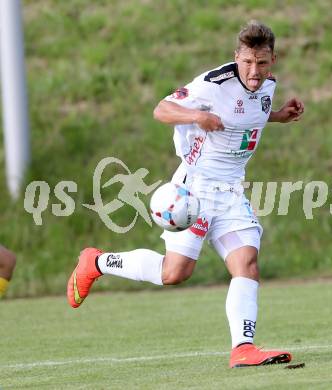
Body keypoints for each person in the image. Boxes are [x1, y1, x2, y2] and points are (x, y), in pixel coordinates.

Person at [67, 20, 304, 368]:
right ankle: (97, 262)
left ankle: (243, 348)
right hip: (194, 189)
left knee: (247, 263)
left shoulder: (267, 86)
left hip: (230, 191)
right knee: (174, 273)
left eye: (263, 63)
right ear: (236, 56)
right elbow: (161, 110)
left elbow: (248, 114)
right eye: (248, 62)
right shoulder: (212, 84)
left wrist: (280, 116)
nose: (254, 71)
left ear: (274, 60)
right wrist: (197, 116)